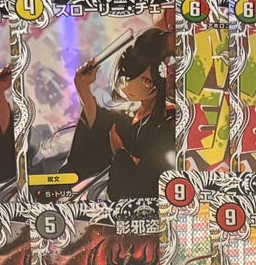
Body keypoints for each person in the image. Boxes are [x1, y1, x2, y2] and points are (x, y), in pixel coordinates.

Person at [65, 25, 176, 199]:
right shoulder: (130, 116)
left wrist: (120, 154)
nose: (129, 85)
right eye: (129, 74)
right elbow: (100, 126)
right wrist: (83, 88)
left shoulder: (168, 125)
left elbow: (148, 183)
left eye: (146, 80)